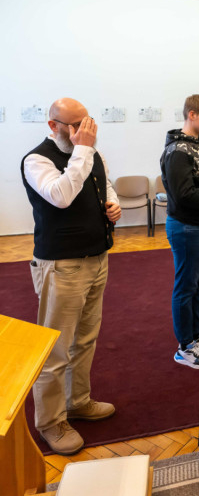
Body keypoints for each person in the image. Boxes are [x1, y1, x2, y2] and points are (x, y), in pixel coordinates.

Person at [21, 98, 122, 455]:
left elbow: (104, 186)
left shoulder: (91, 153)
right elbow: (61, 197)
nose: (85, 130)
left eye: (87, 121)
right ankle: (50, 422)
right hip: (61, 264)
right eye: (76, 125)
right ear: (53, 125)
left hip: (97, 257)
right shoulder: (37, 160)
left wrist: (113, 204)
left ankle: (77, 401)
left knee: (85, 339)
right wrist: (83, 150)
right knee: (56, 350)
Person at [160, 94, 199, 369]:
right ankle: (185, 346)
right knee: (185, 287)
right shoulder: (177, 151)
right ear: (191, 114)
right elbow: (184, 194)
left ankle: (196, 334)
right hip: (187, 226)